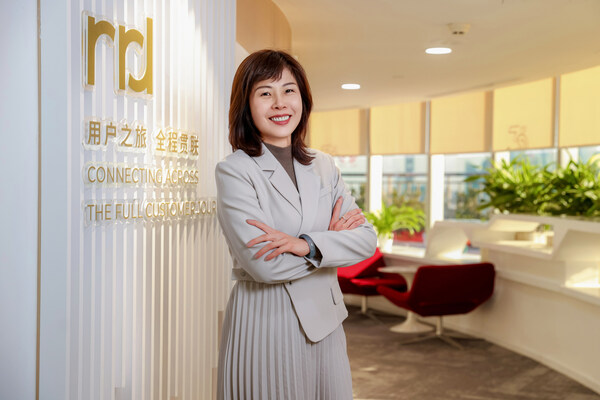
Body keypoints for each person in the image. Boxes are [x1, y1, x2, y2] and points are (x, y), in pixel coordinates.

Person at [215, 49, 377, 400]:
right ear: (246, 104)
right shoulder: (235, 170)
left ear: (302, 98)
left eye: (289, 90)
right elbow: (264, 265)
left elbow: (366, 240)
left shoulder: (324, 165)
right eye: (265, 92)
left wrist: (307, 244)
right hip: (267, 321)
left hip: (327, 322)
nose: (280, 103)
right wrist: (331, 242)